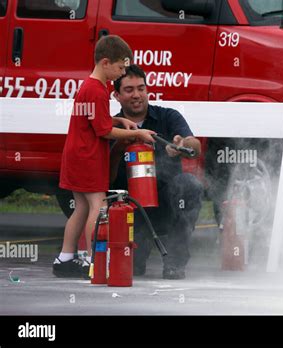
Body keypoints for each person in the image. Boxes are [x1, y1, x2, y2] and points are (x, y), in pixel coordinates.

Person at [53, 37, 157, 278]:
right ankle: (93, 260)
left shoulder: (90, 87)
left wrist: (120, 120)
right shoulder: (97, 90)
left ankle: (65, 258)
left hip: (77, 156)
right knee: (98, 207)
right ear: (106, 62)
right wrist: (138, 132)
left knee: (80, 207)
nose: (122, 73)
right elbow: (103, 131)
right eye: (120, 68)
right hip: (88, 158)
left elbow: (96, 121)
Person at [110, 65, 203, 280]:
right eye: (129, 89)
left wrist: (181, 144)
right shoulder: (111, 127)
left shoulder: (168, 117)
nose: (137, 95)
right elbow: (104, 180)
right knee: (132, 269)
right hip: (130, 212)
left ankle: (174, 262)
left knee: (190, 185)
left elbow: (194, 147)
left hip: (166, 206)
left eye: (141, 88)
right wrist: (119, 146)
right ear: (116, 95)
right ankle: (136, 254)